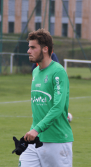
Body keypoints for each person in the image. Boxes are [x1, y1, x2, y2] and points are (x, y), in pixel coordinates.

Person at [18, 29, 74, 167]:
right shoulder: (36, 71)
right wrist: (34, 131)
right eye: (28, 47)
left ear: (45, 49)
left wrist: (37, 129)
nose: (28, 51)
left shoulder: (58, 72)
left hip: (58, 142)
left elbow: (58, 107)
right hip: (36, 141)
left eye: (32, 47)